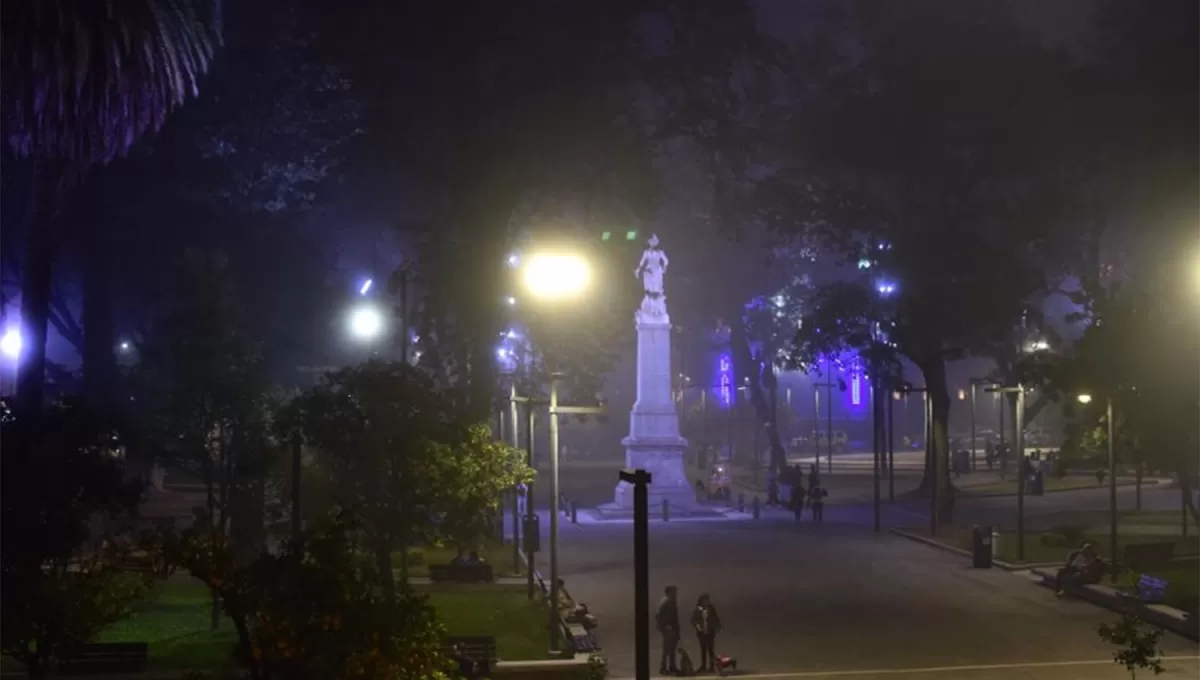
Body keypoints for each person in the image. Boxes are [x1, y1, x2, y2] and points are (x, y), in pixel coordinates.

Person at [690, 593, 722, 673]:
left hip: (710, 632)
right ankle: (703, 666)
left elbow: (716, 618)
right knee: (703, 650)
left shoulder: (711, 609)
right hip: (701, 633)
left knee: (710, 650)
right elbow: (693, 620)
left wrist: (718, 626)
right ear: (701, 601)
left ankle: (711, 667)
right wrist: (697, 625)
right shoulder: (698, 610)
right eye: (706, 600)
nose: (707, 601)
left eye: (708, 600)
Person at [656, 585, 680, 675]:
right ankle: (664, 667)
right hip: (668, 628)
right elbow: (659, 615)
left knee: (672, 647)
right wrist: (665, 625)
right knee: (667, 648)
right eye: (674, 592)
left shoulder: (670, 601)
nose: (676, 594)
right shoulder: (667, 601)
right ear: (670, 592)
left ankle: (672, 666)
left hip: (671, 627)